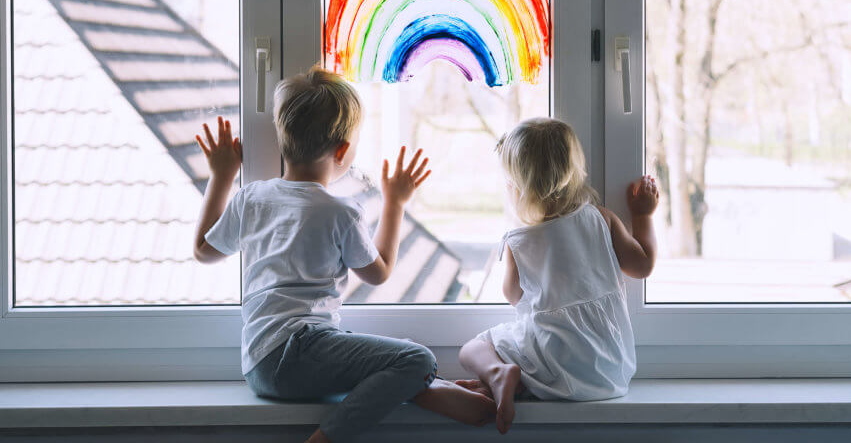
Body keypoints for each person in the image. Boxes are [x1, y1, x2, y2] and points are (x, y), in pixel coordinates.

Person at [192, 67, 495, 443]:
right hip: (300, 351)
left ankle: (429, 391)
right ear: (342, 150)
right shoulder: (340, 211)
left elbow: (203, 250)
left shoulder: (252, 197)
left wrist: (222, 175)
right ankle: (327, 438)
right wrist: (395, 203)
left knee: (394, 368)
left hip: (258, 365)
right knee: (418, 359)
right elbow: (379, 272)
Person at [456, 117, 659, 434]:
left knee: (472, 348)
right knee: (537, 346)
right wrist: (642, 215)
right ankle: (515, 381)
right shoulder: (600, 219)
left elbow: (513, 296)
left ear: (516, 187)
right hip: (611, 372)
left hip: (554, 364)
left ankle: (498, 374)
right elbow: (642, 265)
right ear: (575, 170)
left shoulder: (519, 241)